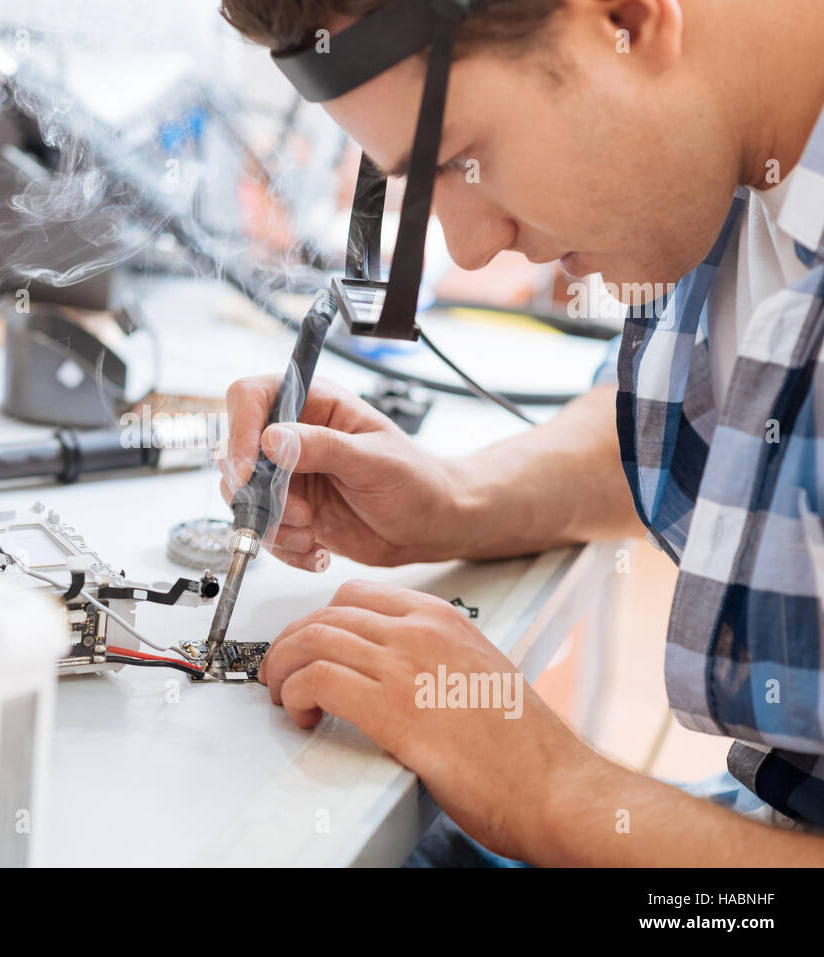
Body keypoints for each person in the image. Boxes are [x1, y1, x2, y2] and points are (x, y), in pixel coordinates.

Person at [216, 0, 824, 865]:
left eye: (466, 158)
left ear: (627, 18)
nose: (468, 249)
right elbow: (743, 423)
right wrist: (460, 499)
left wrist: (555, 791)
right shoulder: (726, 148)